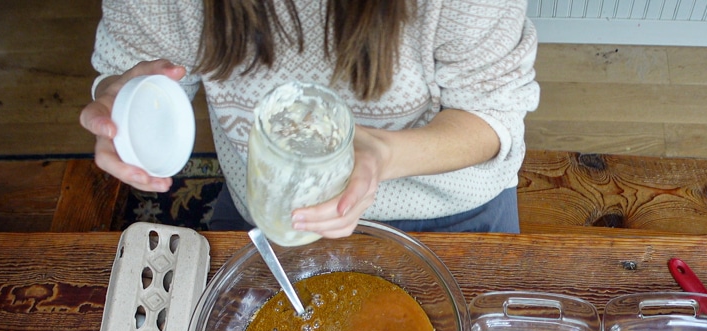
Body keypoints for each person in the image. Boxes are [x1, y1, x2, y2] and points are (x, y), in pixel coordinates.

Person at [81, 0, 539, 236]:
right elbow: (138, 66)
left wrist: (382, 155)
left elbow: (491, 116)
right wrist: (124, 100)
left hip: (449, 212)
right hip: (265, 209)